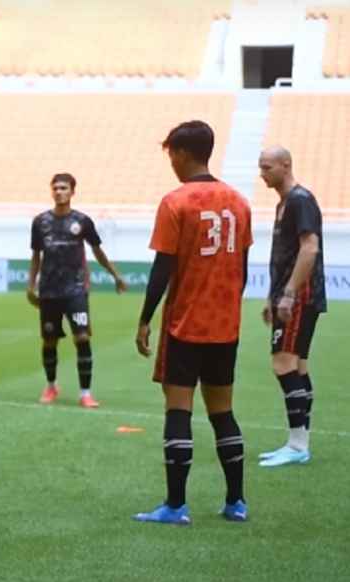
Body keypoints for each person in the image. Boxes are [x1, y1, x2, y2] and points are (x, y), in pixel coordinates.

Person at [133, 121, 252, 525]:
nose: (171, 163)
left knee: (178, 409)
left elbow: (162, 268)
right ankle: (236, 502)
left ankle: (176, 506)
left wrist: (145, 318)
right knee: (223, 411)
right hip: (226, 325)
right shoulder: (239, 201)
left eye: (171, 155)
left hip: (186, 324)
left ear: (182, 153)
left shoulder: (176, 202)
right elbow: (243, 269)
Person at [28, 173, 127, 408]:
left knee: (82, 337)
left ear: (73, 191)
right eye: (56, 188)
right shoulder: (40, 222)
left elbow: (97, 251)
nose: (59, 191)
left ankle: (85, 393)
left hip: (76, 289)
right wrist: (30, 285)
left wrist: (115, 275)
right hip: (49, 290)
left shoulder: (82, 221)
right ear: (51, 192)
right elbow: (36, 256)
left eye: (64, 188)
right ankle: (51, 386)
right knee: (49, 340)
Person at [256, 146, 326, 468]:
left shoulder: (300, 200)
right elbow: (283, 256)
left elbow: (309, 249)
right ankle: (299, 443)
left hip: (300, 296)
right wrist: (272, 296)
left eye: (267, 167)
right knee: (298, 366)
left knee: (283, 364)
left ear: (286, 165)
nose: (262, 173)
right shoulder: (284, 203)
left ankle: (297, 445)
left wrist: (288, 294)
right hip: (293, 295)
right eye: (260, 167)